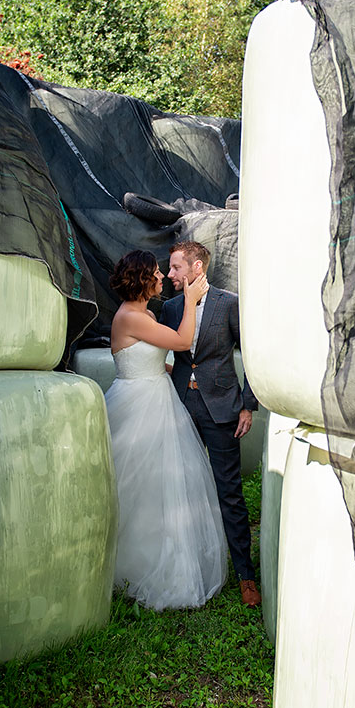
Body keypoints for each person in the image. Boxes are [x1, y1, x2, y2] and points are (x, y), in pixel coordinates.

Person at [104, 249, 228, 610]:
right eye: (157, 273)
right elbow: (181, 342)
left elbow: (153, 355)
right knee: (142, 489)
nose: (162, 278)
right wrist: (190, 300)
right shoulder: (130, 316)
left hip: (157, 395)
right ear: (143, 279)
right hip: (139, 405)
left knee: (161, 488)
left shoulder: (142, 314)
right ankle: (137, 566)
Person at [160, 241, 262, 608]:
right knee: (181, 491)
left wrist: (248, 406)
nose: (170, 275)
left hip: (222, 410)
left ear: (197, 266)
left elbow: (251, 354)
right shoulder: (170, 308)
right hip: (181, 407)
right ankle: (189, 568)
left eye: (175, 268)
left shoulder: (229, 303)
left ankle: (246, 576)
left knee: (229, 493)